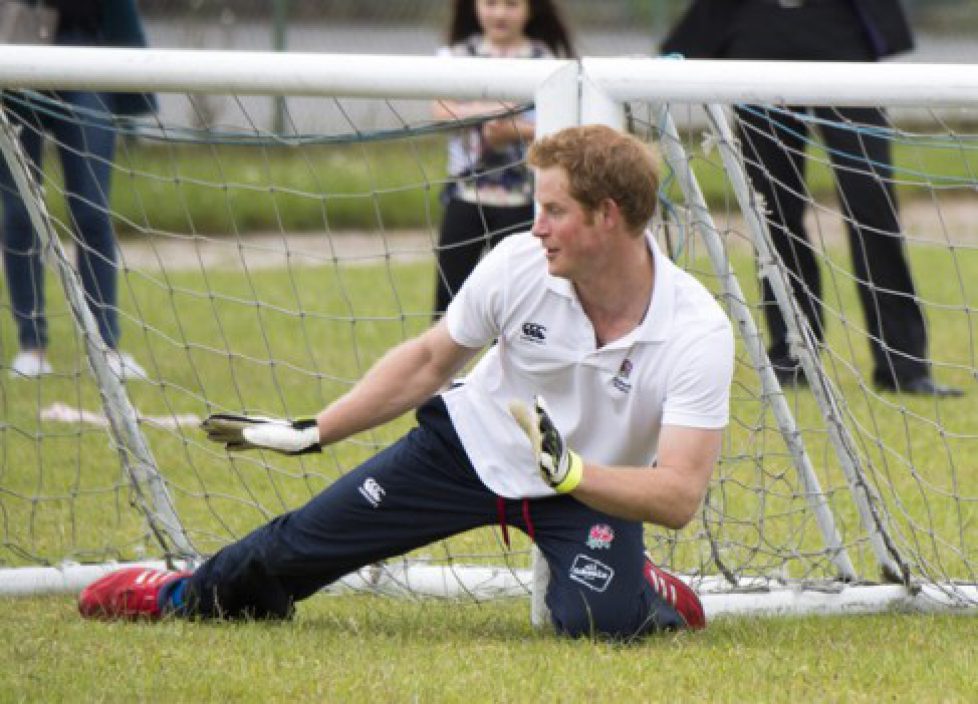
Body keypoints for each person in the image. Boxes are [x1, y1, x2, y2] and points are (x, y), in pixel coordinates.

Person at [77, 125, 734, 640]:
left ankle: (640, 588)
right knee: (294, 549)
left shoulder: (696, 330)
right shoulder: (517, 265)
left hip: (587, 489)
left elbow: (678, 494)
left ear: (608, 216)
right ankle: (175, 594)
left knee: (601, 623)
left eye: (554, 210)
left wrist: (572, 475)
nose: (536, 226)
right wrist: (315, 430)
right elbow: (428, 361)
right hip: (467, 452)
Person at [662, 0, 962, 397]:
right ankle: (791, 353)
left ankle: (903, 365)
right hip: (757, 34)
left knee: (870, 201)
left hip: (840, 34)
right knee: (774, 210)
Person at [1, 0, 155, 380]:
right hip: (16, 45)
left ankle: (107, 346)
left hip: (86, 50)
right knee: (21, 211)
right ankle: (31, 346)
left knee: (91, 211)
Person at [431, 0, 574, 318]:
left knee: (518, 304)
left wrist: (515, 131)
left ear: (530, 9)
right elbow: (440, 111)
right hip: (466, 196)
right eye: (491, 3)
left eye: (511, 4)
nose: (499, 13)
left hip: (524, 201)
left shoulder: (546, 62)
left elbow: (560, 127)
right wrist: (491, 111)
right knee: (448, 301)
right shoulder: (456, 56)